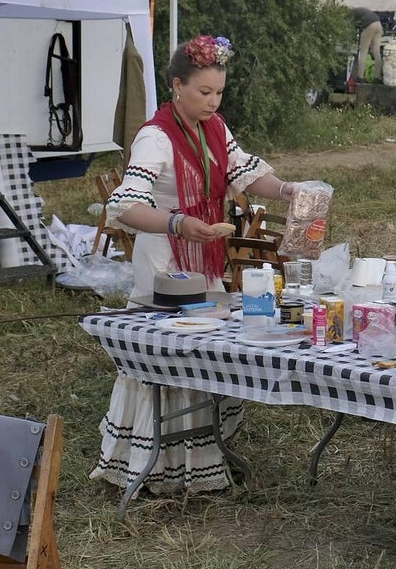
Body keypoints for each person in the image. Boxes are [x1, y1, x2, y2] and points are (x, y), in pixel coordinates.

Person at [93, 35, 306, 494]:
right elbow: (124, 208)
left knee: (202, 353)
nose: (213, 101)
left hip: (203, 254)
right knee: (169, 359)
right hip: (167, 262)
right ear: (176, 87)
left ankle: (202, 456)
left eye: (219, 92)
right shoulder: (155, 137)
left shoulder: (214, 128)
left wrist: (289, 190)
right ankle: (157, 465)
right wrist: (178, 223)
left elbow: (244, 171)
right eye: (204, 92)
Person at [352, 7, 383, 83]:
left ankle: (360, 78)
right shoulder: (362, 10)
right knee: (376, 52)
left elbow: (348, 25)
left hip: (369, 25)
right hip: (379, 25)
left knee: (363, 52)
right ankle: (377, 77)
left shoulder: (350, 13)